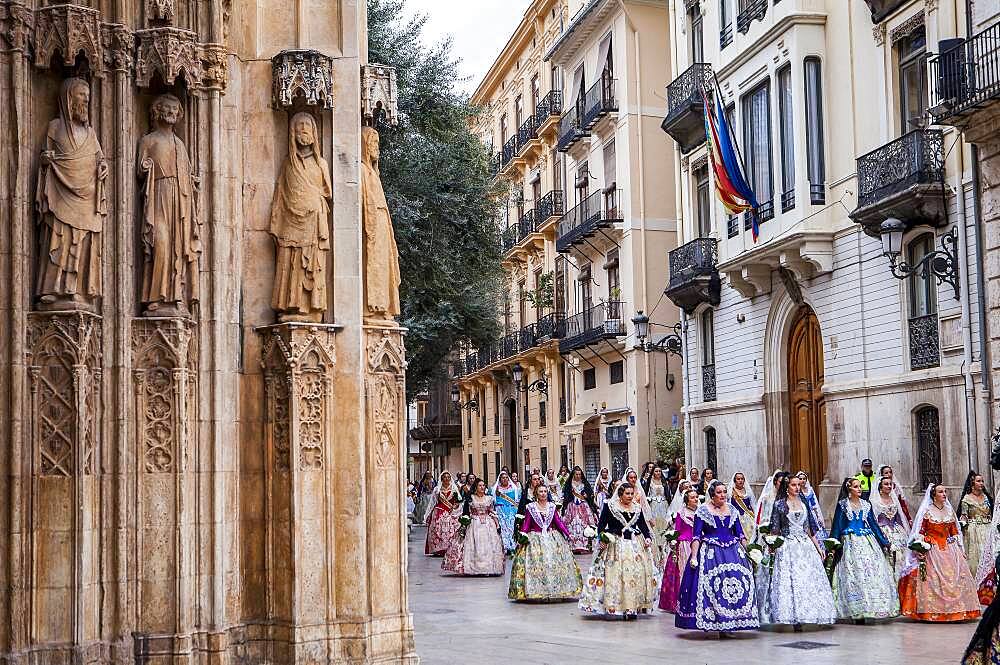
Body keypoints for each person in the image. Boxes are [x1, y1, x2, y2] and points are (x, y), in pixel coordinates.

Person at [676, 480, 759, 633]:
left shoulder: (732, 510)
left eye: (724, 492)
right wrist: (694, 556)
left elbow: (740, 534)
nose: (722, 495)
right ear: (712, 495)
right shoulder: (703, 511)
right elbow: (696, 536)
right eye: (719, 492)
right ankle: (716, 621)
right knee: (714, 586)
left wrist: (750, 552)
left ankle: (733, 620)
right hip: (711, 553)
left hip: (733, 551)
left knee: (736, 583)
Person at [899, 483, 981, 622]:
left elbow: (954, 531)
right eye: (940, 492)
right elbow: (920, 531)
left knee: (956, 578)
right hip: (933, 549)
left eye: (945, 491)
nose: (944, 494)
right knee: (933, 580)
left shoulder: (949, 511)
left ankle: (957, 611)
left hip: (950, 549)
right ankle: (933, 612)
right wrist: (921, 546)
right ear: (933, 495)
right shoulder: (927, 511)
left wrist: (960, 548)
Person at [764, 474, 836, 627]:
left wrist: (818, 547)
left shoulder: (804, 503)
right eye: (793, 485)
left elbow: (809, 528)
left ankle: (813, 613)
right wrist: (772, 547)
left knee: (809, 579)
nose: (797, 488)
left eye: (798, 485)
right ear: (787, 487)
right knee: (792, 580)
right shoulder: (780, 505)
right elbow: (775, 529)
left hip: (805, 546)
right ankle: (794, 616)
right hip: (788, 546)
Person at [578, 483, 659, 619]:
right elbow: (601, 526)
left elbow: (643, 526)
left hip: (634, 545)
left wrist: (647, 538)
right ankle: (616, 605)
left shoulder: (637, 508)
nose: (630, 496)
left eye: (631, 493)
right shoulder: (610, 506)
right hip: (616, 545)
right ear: (620, 494)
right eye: (627, 494)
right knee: (616, 575)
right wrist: (602, 538)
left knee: (634, 575)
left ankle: (632, 607)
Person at [828, 477, 899, 621]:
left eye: (860, 486)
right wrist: (833, 544)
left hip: (867, 541)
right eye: (856, 487)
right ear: (849, 489)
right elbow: (837, 525)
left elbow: (873, 524)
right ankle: (856, 609)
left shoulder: (866, 505)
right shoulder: (843, 505)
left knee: (872, 571)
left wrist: (884, 541)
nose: (859, 489)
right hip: (850, 542)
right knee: (855, 573)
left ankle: (873, 607)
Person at [508, 484, 582, 601]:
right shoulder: (531, 507)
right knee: (537, 563)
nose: (543, 494)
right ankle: (537, 590)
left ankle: (556, 589)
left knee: (555, 562)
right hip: (535, 538)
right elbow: (526, 524)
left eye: (545, 491)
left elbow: (558, 522)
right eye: (540, 492)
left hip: (551, 536)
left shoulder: (552, 507)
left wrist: (568, 534)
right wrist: (522, 537)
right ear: (536, 494)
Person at [442, 479, 505, 576]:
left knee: (489, 545)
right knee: (475, 545)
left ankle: (489, 568)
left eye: (484, 485)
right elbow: (465, 513)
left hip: (488, 524)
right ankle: (473, 568)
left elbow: (492, 511)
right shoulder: (471, 498)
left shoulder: (489, 498)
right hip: (474, 523)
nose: (482, 487)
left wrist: (497, 524)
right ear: (476, 487)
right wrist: (465, 522)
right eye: (480, 485)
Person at [658, 487, 698, 614]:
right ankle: (681, 601)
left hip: (697, 545)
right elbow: (678, 530)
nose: (696, 499)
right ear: (686, 501)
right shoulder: (682, 513)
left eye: (697, 497)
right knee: (682, 572)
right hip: (684, 545)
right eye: (693, 498)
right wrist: (674, 543)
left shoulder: (701, 513)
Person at [872, 475, 911, 581]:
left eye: (890, 484)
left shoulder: (894, 500)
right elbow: (873, 520)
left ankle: (902, 579)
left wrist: (905, 531)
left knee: (902, 554)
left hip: (897, 530)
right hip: (883, 530)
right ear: (880, 487)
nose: (889, 486)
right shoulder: (875, 501)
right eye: (886, 484)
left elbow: (899, 517)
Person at [960, 471, 995, 578]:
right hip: (974, 530)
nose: (981, 483)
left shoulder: (986, 498)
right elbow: (964, 516)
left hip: (988, 527)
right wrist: (963, 525)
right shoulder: (967, 499)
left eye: (982, 481)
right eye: (978, 481)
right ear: (972, 484)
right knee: (977, 555)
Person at [424, 471, 462, 556]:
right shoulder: (437, 489)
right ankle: (438, 549)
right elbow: (432, 502)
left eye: (448, 477)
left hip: (450, 511)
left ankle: (449, 548)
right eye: (445, 477)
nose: (447, 478)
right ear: (441, 479)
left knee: (450, 530)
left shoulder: (454, 488)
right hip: (439, 511)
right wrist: (428, 514)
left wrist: (456, 506)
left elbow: (459, 500)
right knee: (438, 529)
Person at [561, 466, 598, 554]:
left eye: (579, 474)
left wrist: (587, 496)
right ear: (573, 474)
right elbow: (566, 494)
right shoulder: (569, 483)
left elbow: (590, 493)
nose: (578, 476)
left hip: (583, 506)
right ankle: (573, 545)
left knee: (585, 523)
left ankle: (585, 545)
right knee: (572, 524)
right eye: (576, 474)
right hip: (572, 506)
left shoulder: (584, 483)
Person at [644, 466, 672, 565]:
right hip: (654, 505)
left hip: (663, 504)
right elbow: (646, 493)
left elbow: (668, 494)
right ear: (653, 472)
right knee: (655, 524)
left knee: (664, 523)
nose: (658, 473)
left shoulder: (665, 482)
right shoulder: (649, 481)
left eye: (660, 471)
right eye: (656, 471)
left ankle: (663, 544)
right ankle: (656, 544)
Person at [492, 471, 521, 553]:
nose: (504, 479)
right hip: (501, 511)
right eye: (503, 478)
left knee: (512, 528)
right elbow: (493, 501)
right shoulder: (496, 489)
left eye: (506, 478)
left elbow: (516, 500)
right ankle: (505, 547)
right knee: (504, 529)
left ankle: (513, 545)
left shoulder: (514, 488)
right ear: (500, 479)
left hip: (511, 511)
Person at [796, 471, 829, 541]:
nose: (802, 480)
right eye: (800, 479)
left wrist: (818, 516)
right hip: (803, 513)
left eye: (804, 479)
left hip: (812, 513)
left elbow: (814, 504)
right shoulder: (796, 491)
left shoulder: (810, 489)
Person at [729, 472, 757, 544]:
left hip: (748, 518)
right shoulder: (730, 492)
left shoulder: (748, 491)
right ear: (735, 481)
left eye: (742, 479)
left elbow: (753, 505)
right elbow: (728, 506)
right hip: (736, 518)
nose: (740, 480)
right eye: (738, 479)